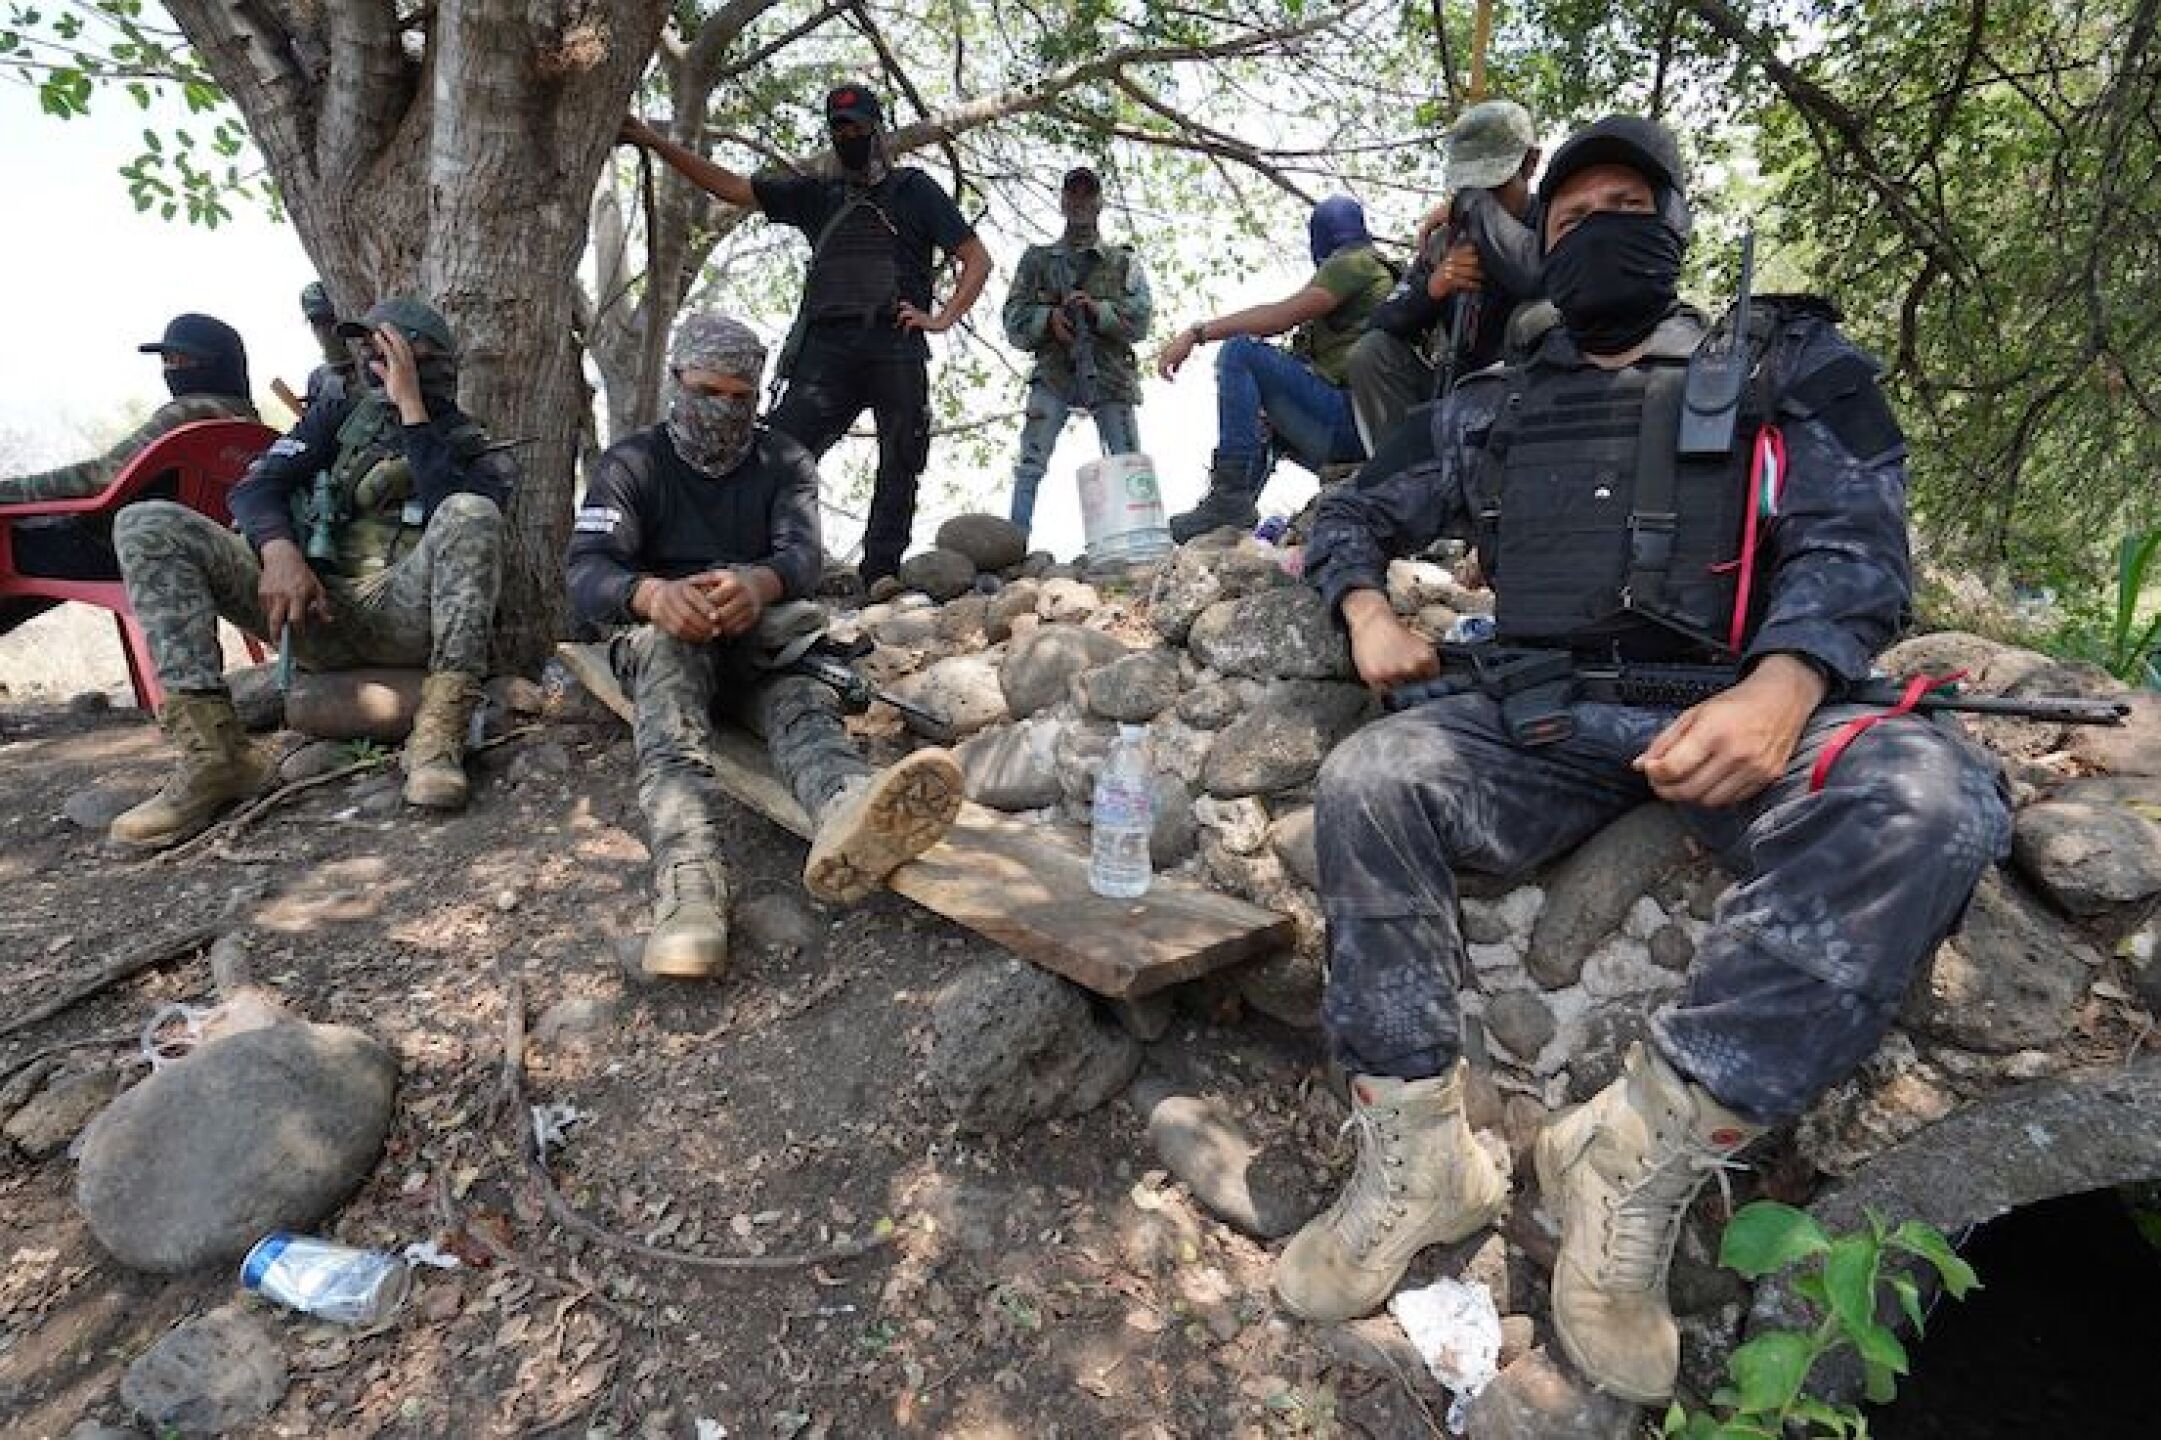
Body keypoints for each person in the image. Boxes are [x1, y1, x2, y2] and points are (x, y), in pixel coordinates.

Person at [1282, 116, 2012, 1406]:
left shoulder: (1787, 359)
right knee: (1369, 781)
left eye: (1630, 202)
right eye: (1570, 217)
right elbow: (1345, 507)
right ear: (1536, 246)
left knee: (1931, 801)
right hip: (1546, 723)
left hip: (1738, 713)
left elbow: (1860, 542)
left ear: (1674, 224)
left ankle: (1633, 1149)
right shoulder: (1491, 403)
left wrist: (1785, 687)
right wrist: (1367, 611)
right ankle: (1417, 1154)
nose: (1599, 227)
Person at [566, 313, 963, 979]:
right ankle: (689, 886)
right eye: (706, 392)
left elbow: (803, 554)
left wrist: (759, 583)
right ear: (676, 382)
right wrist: (652, 596)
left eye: (738, 398)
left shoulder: (784, 461)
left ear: (757, 397)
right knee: (669, 681)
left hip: (761, 649)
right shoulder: (631, 464)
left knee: (803, 704)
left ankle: (847, 809)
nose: (722, 410)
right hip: (668, 649)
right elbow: (586, 568)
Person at [108, 296, 518, 849]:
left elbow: (452, 503)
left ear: (429, 357)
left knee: (472, 513)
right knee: (147, 523)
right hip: (311, 605)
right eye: (369, 345)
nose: (375, 357)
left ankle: (439, 740)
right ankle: (214, 758)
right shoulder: (337, 416)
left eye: (391, 346)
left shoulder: (472, 446)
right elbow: (256, 486)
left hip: (404, 617)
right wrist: (279, 551)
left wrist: (413, 413)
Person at [620, 83, 993, 587]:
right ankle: (752, 563)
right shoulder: (817, 194)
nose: (849, 136)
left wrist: (942, 317)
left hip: (895, 342)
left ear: (877, 129)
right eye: (839, 128)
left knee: (902, 454)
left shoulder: (914, 189)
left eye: (858, 126)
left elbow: (976, 258)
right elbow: (731, 188)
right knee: (774, 453)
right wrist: (651, 139)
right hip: (827, 350)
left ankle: (881, 576)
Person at [1154, 194, 1394, 542]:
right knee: (1261, 409)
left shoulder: (1354, 264)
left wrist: (1197, 333)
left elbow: (1279, 317)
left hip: (1351, 425)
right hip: (1369, 430)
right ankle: (1228, 515)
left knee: (1241, 353)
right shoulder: (1383, 271)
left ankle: (1230, 498)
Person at [0, 315, 259, 628]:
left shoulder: (188, 414)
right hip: (200, 554)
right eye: (166, 359)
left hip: (123, 551)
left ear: (221, 362)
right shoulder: (252, 430)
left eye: (185, 359)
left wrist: (7, 494)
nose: (172, 368)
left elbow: (97, 478)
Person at [1348, 100, 1545, 451]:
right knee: (1371, 353)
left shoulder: (1552, 221)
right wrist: (1435, 287)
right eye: (1469, 189)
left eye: (1493, 186)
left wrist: (1476, 214)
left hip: (1525, 400)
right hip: (1453, 395)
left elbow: (1537, 276)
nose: (1481, 200)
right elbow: (1382, 320)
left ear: (1530, 164)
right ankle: (1395, 484)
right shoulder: (1447, 241)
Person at [1000, 166, 1154, 539]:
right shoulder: (1038, 261)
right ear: (1063, 201)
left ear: (1099, 202)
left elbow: (1140, 321)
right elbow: (1013, 321)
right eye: (1074, 195)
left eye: (1088, 195)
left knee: (1126, 462)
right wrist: (1049, 319)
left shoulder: (1121, 262)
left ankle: (1139, 538)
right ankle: (1013, 544)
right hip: (1055, 369)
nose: (1080, 203)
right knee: (1031, 462)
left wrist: (1097, 312)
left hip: (1109, 371)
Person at [299, 282, 359, 411]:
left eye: (330, 320)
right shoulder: (317, 379)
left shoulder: (372, 365)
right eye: (317, 323)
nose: (324, 330)